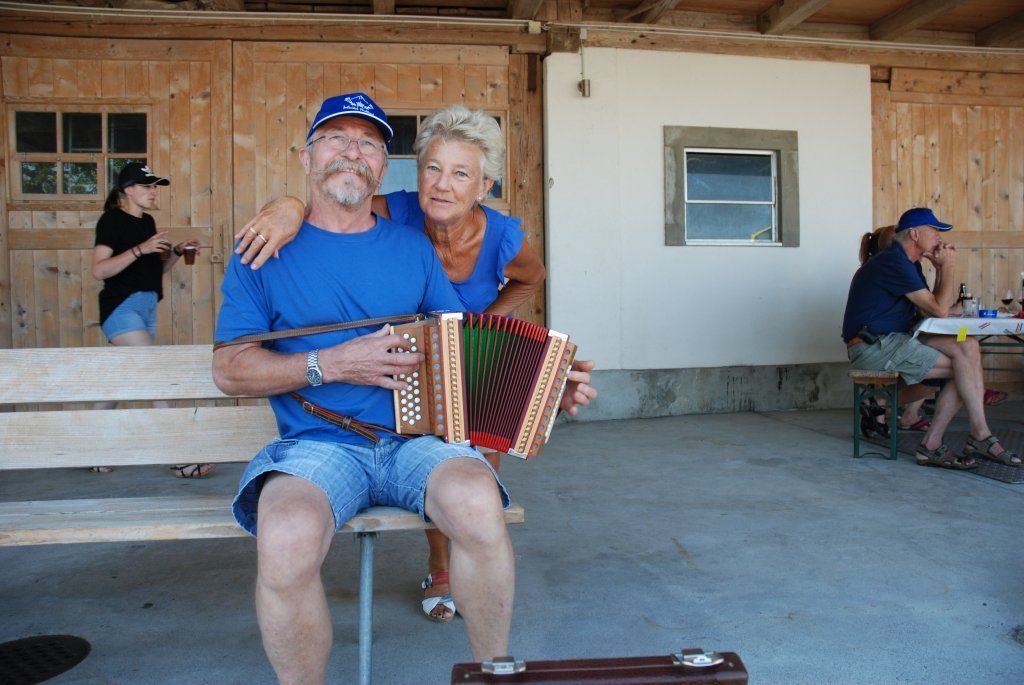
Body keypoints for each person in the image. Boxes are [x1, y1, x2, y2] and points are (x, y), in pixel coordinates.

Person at [213, 93, 591, 683]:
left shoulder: (411, 245)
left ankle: (494, 671)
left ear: (383, 169)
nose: (352, 151)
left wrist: (538, 389)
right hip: (318, 445)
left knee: (477, 502)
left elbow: (458, 346)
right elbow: (230, 369)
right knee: (284, 536)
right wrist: (332, 363)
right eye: (336, 137)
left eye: (368, 142)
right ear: (306, 157)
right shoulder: (264, 251)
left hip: (414, 439)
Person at [843, 207, 1020, 470]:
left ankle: (973, 436)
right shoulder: (894, 261)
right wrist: (947, 266)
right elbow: (938, 310)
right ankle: (951, 441)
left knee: (969, 346)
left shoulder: (908, 263)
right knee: (965, 369)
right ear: (914, 234)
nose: (940, 238)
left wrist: (939, 270)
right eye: (935, 231)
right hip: (873, 347)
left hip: (894, 339)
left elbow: (932, 307)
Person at [91, 162, 211, 478]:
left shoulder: (149, 222)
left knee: (120, 384)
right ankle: (182, 456)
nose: (153, 192)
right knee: (157, 374)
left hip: (146, 308)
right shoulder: (111, 221)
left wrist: (176, 252)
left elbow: (153, 271)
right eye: (147, 186)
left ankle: (86, 447)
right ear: (127, 190)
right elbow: (99, 270)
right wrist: (141, 248)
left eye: (155, 187)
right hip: (121, 309)